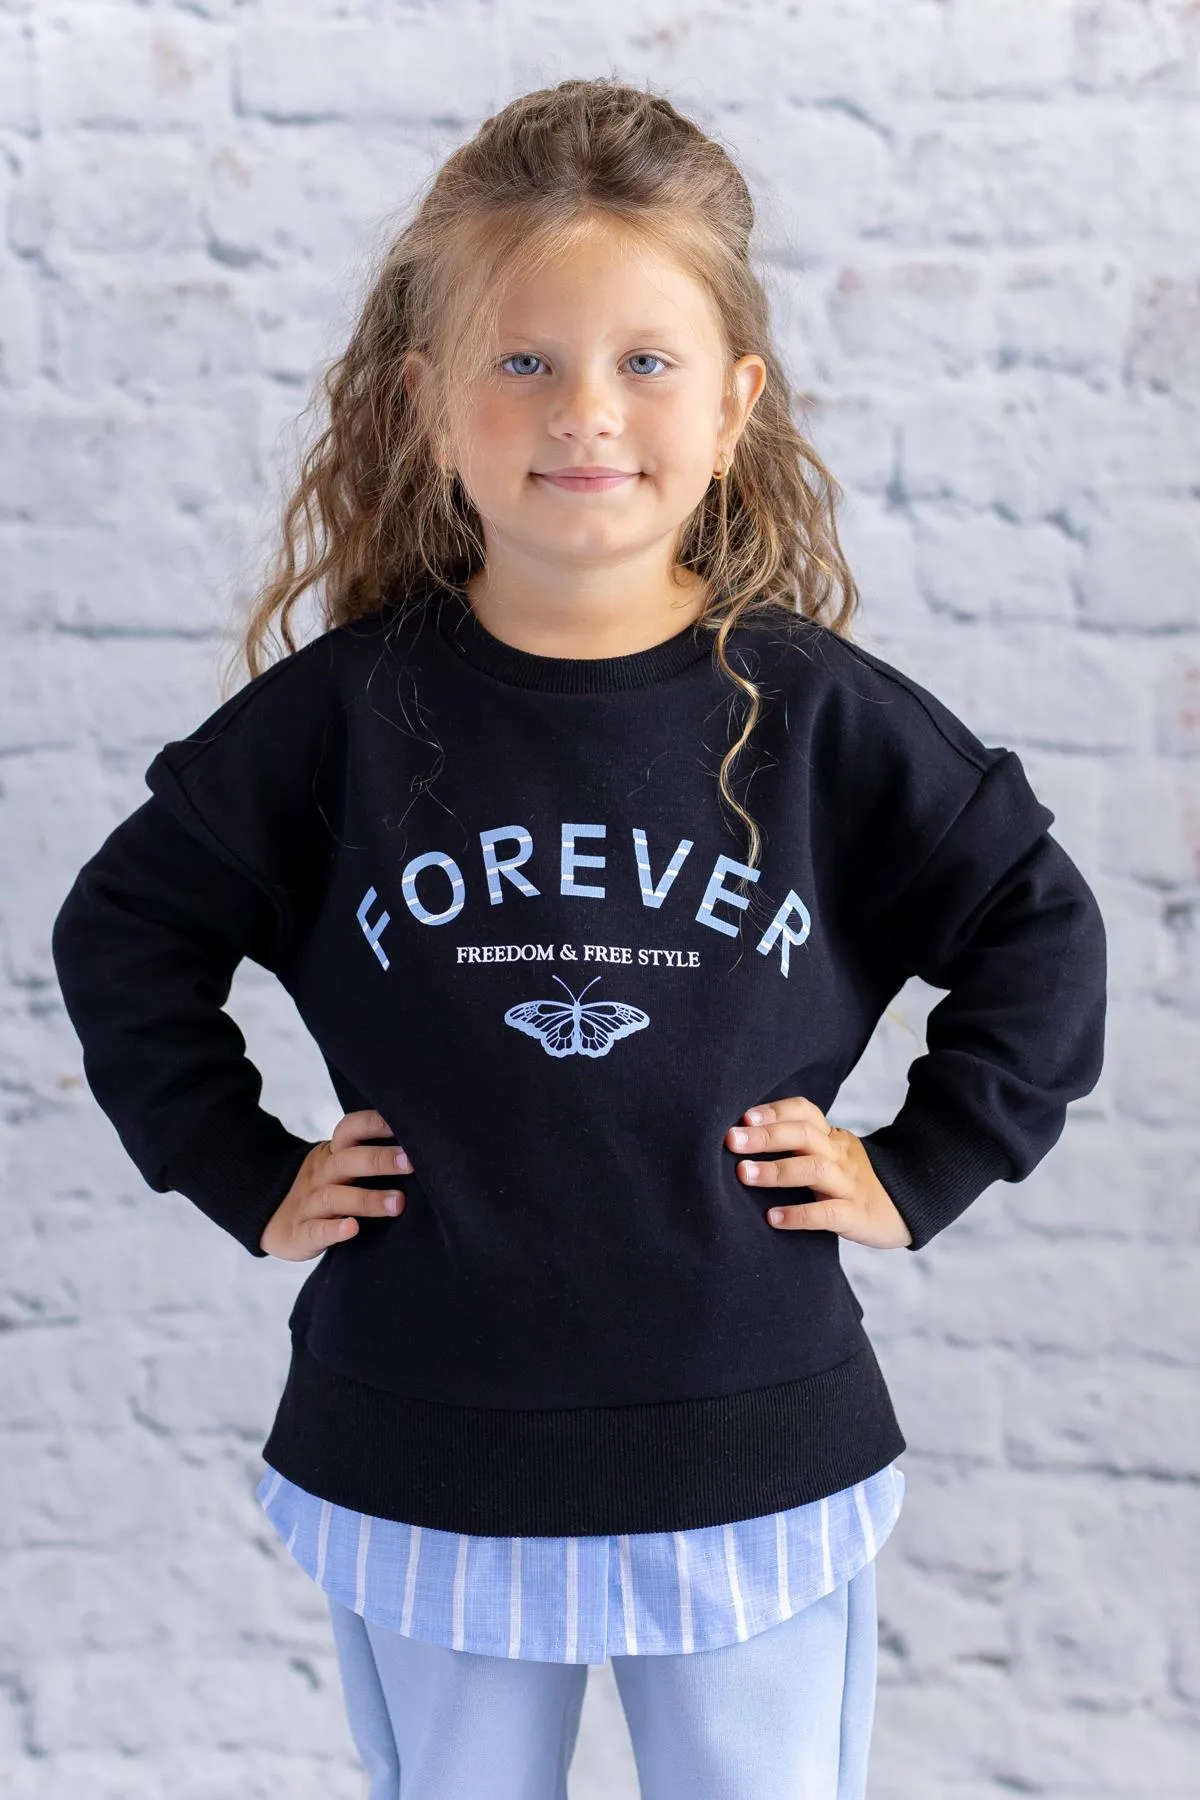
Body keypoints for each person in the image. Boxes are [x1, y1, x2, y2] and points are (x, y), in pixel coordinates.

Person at [50, 76, 1107, 1800]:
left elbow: (1036, 926)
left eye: (646, 360)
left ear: (737, 400)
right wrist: (246, 1169)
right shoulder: (343, 718)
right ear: (427, 403)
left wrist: (921, 1165)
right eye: (525, 360)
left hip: (754, 1443)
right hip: (424, 1445)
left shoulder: (817, 714)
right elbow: (126, 930)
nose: (586, 412)